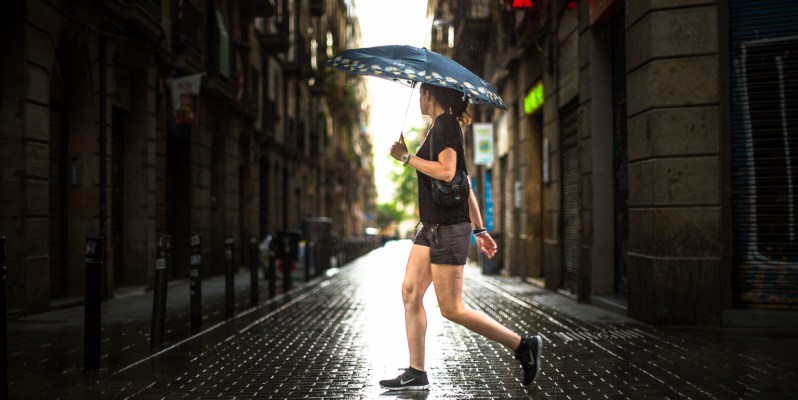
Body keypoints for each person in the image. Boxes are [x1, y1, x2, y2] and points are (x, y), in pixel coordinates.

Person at [379, 83, 543, 391]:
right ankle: (416, 371)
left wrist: (406, 157)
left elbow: (446, 172)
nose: (419, 98)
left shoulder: (446, 125)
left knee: (452, 308)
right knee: (410, 292)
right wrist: (480, 229)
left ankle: (523, 346)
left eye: (421, 92)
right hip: (431, 227)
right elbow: (463, 185)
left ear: (428, 94)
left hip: (447, 229)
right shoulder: (440, 128)